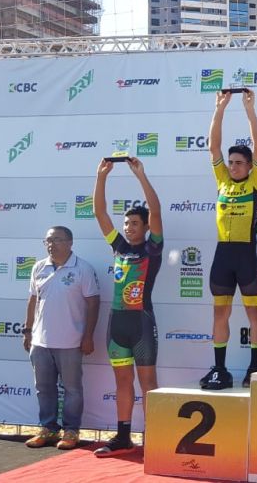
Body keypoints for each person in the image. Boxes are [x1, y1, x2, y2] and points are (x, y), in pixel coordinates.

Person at [93, 157, 163, 457]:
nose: (128, 227)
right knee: (122, 381)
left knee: (148, 382)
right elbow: (100, 213)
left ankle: (154, 438)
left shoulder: (152, 248)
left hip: (142, 322)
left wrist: (140, 176)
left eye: (135, 223)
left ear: (146, 227)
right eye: (126, 223)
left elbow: (156, 210)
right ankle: (123, 437)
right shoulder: (119, 247)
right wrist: (101, 177)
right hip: (117, 323)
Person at [200, 89, 257, 390]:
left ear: (250, 166)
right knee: (220, 313)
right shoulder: (223, 182)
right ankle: (219, 368)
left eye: (239, 162)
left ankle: (254, 368)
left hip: (246, 256)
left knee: (254, 313)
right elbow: (213, 146)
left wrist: (249, 110)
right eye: (231, 162)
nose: (233, 166)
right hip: (223, 257)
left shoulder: (256, 182)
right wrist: (220, 108)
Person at [23, 226, 99, 450]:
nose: (51, 244)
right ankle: (48, 428)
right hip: (40, 341)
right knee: (43, 388)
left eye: (57, 239)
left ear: (70, 243)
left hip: (71, 341)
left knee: (72, 389)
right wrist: (28, 331)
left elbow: (93, 303)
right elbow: (32, 300)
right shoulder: (39, 267)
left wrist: (88, 336)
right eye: (47, 240)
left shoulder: (83, 268)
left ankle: (71, 431)